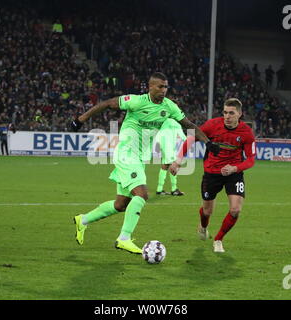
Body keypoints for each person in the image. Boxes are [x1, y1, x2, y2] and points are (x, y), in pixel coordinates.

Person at [69, 72, 219, 254]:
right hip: (126, 153)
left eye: (166, 87)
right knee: (142, 194)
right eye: (160, 87)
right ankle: (124, 238)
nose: (163, 90)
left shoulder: (169, 107)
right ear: (150, 87)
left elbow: (188, 125)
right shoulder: (136, 101)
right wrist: (81, 119)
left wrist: (208, 142)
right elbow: (107, 104)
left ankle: (83, 220)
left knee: (121, 205)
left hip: (139, 159)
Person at [170, 98, 256, 253]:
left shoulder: (246, 132)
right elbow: (191, 138)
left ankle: (218, 239)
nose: (227, 116)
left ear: (240, 114)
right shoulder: (212, 125)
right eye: (225, 112)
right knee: (207, 211)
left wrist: (235, 168)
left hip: (233, 173)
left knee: (235, 209)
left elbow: (250, 160)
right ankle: (203, 226)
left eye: (231, 113)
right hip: (211, 173)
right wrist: (178, 160)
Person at [155, 118, 187, 196]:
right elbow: (183, 136)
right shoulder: (176, 124)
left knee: (164, 166)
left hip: (163, 144)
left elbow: (158, 132)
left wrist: (158, 142)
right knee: (174, 165)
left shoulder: (164, 121)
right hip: (169, 147)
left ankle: (159, 189)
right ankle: (174, 189)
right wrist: (189, 140)